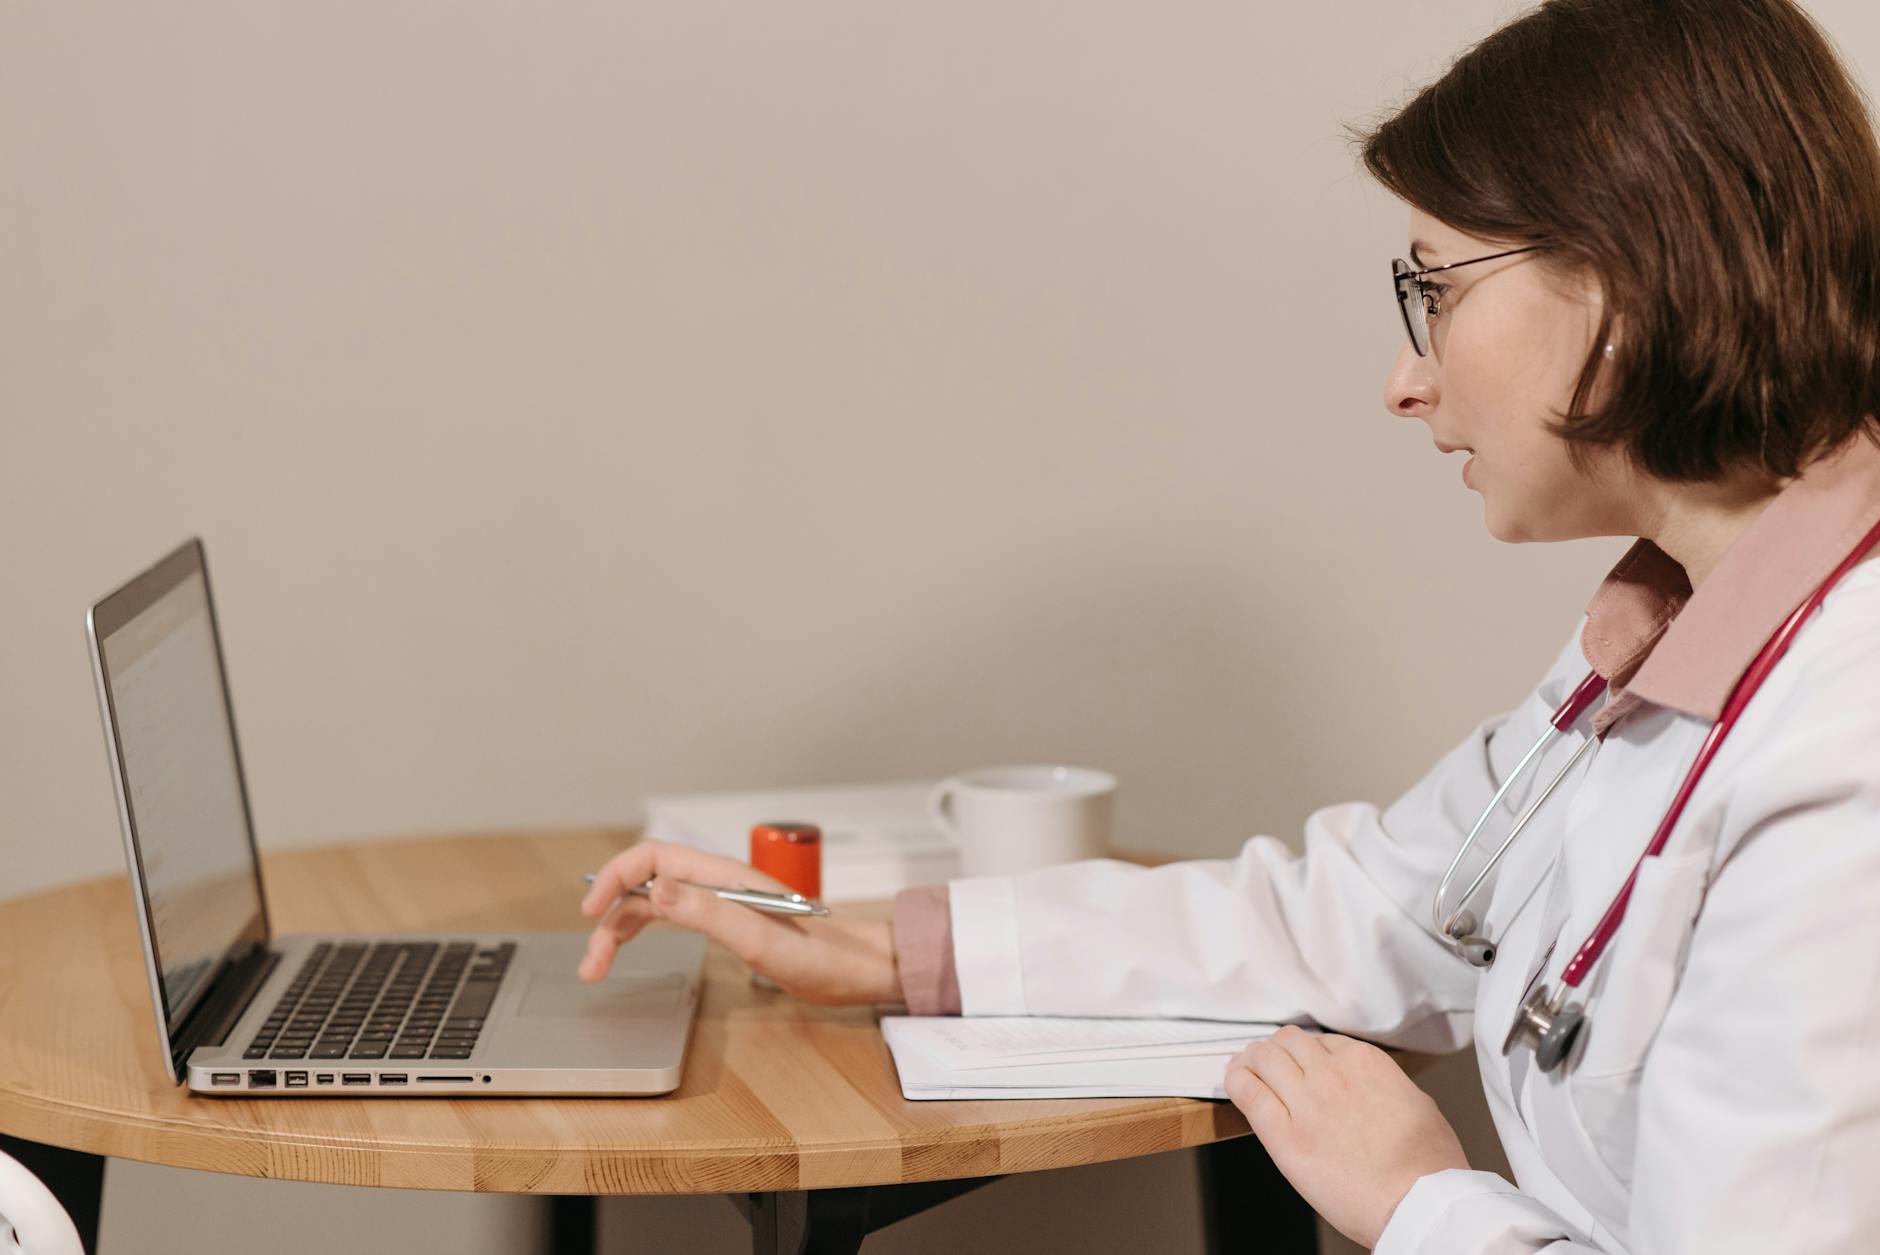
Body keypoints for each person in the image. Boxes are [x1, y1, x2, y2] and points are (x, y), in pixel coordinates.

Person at [577, 1, 1880, 1249]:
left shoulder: (1844, 754)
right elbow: (1383, 907)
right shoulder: (1672, 623)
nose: (1405, 379)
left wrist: (1421, 1203)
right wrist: (886, 948)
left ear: (1625, 280)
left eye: (1437, 289)